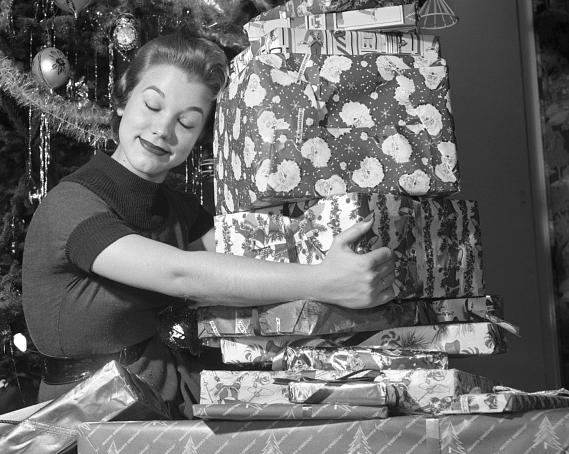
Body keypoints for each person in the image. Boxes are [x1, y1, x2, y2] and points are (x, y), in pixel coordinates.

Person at [21, 33, 396, 419]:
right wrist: (324, 281)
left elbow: (251, 258)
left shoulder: (177, 208)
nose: (163, 130)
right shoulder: (72, 205)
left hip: (172, 399)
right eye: (152, 106)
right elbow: (182, 274)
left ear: (200, 136)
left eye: (186, 122)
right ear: (121, 100)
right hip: (90, 414)